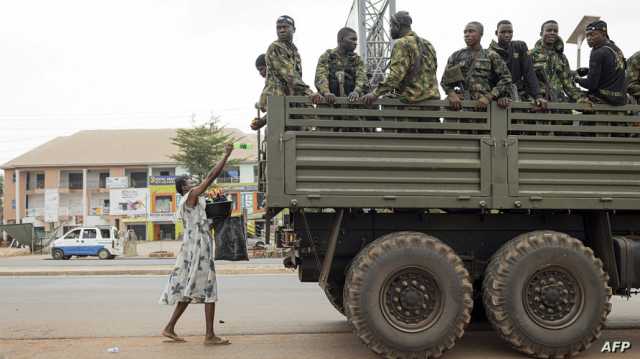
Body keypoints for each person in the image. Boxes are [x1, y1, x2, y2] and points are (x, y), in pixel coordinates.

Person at [159, 143, 234, 345]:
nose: (193, 181)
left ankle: (169, 328)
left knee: (188, 289)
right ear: (184, 187)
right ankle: (209, 336)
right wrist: (226, 156)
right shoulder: (190, 196)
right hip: (198, 249)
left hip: (193, 248)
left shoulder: (194, 200)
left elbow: (206, 220)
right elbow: (210, 177)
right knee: (209, 288)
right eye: (189, 180)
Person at [362, 11, 440, 104]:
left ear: (397, 26)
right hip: (433, 103)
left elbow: (395, 76)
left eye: (391, 26)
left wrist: (375, 93)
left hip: (411, 104)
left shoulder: (402, 43)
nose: (390, 29)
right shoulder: (428, 44)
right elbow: (433, 70)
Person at [441, 21, 513, 111]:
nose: (467, 34)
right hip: (461, 106)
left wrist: (489, 96)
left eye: (471, 31)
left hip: (483, 107)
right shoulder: (456, 56)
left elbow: (507, 78)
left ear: (481, 34)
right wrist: (452, 94)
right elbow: (445, 81)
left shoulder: (491, 55)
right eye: (465, 32)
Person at [262, 15, 322, 106]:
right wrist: (310, 93)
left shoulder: (294, 51)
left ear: (293, 29)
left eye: (285, 27)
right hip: (277, 98)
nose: (281, 30)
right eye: (279, 28)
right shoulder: (275, 47)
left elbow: (297, 76)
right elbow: (290, 75)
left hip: (291, 96)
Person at [488, 20, 546, 108]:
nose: (507, 35)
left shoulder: (520, 47)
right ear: (496, 33)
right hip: (497, 96)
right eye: (503, 32)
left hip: (519, 93)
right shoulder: (489, 52)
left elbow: (529, 72)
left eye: (510, 32)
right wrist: (499, 96)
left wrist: (538, 96)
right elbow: (489, 78)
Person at [530, 20, 585, 103]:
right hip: (539, 102)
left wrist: (579, 98)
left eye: (555, 31)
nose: (552, 33)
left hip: (558, 100)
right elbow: (526, 79)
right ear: (541, 33)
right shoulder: (531, 54)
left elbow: (567, 82)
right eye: (549, 30)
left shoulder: (561, 58)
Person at [575, 20, 626, 106]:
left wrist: (576, 79)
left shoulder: (598, 52)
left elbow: (591, 84)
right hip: (620, 100)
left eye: (592, 34)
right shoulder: (616, 49)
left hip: (602, 100)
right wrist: (589, 71)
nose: (588, 38)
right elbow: (612, 71)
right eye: (587, 36)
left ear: (603, 34)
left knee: (572, 97)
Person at [315, 27, 368, 104]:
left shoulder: (357, 59)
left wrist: (356, 91)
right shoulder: (328, 56)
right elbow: (320, 76)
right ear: (342, 40)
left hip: (352, 101)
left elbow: (362, 77)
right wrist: (326, 92)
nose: (355, 43)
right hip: (330, 101)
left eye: (356, 40)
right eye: (352, 39)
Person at [252, 54, 268, 131]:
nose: (260, 73)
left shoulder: (274, 85)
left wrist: (262, 121)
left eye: (261, 69)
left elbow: (277, 111)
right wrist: (262, 121)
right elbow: (276, 112)